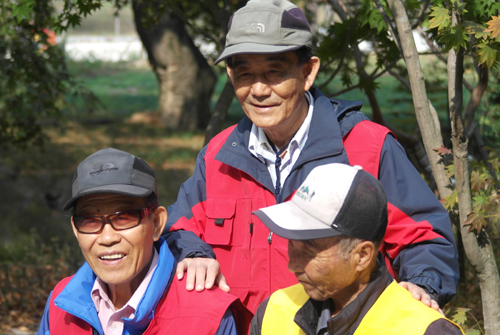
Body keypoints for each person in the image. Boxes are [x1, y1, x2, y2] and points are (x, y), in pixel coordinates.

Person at [163, 0, 459, 315]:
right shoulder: (217, 156)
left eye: (274, 72)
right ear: (230, 75)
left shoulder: (366, 147)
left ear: (308, 72)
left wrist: (422, 285)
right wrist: (193, 254)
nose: (259, 89)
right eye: (246, 74)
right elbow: (180, 226)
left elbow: (426, 238)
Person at [37, 148, 250, 335]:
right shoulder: (61, 302)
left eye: (124, 217)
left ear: (157, 224)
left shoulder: (208, 316)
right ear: (75, 229)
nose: (108, 238)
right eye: (90, 221)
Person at [251, 163, 464, 335]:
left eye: (309, 251)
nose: (292, 265)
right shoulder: (274, 311)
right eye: (291, 243)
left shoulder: (425, 330)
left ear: (362, 256)